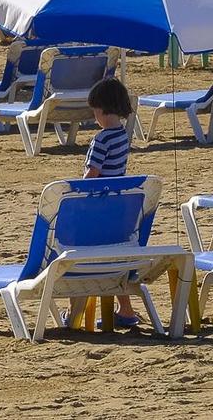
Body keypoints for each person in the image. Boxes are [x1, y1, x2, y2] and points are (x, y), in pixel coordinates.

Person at [82, 77, 139, 327]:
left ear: (101, 109)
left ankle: (75, 312)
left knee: (86, 256)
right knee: (115, 260)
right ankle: (125, 309)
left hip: (98, 207)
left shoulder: (102, 139)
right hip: (117, 207)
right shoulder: (122, 137)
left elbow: (91, 175)